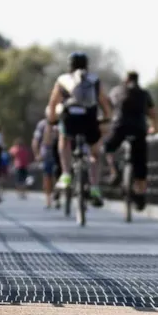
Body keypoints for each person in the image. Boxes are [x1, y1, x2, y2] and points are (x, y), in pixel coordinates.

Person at [46, 51, 113, 207]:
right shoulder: (94, 80)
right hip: (89, 119)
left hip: (70, 118)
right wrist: (107, 118)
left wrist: (52, 119)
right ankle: (95, 187)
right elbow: (104, 102)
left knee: (64, 138)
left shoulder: (63, 79)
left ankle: (66, 174)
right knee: (95, 153)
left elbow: (53, 102)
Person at [103, 71, 158, 210]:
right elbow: (152, 113)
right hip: (139, 128)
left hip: (120, 127)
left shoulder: (116, 91)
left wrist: (106, 124)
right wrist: (154, 127)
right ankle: (140, 193)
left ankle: (114, 171)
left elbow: (107, 109)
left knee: (108, 147)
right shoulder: (144, 93)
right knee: (140, 162)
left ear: (125, 80)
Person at [33, 115, 62, 209]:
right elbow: (36, 140)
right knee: (47, 176)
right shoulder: (42, 124)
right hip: (47, 153)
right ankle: (48, 199)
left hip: (60, 152)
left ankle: (57, 196)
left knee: (59, 176)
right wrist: (37, 153)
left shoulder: (62, 122)